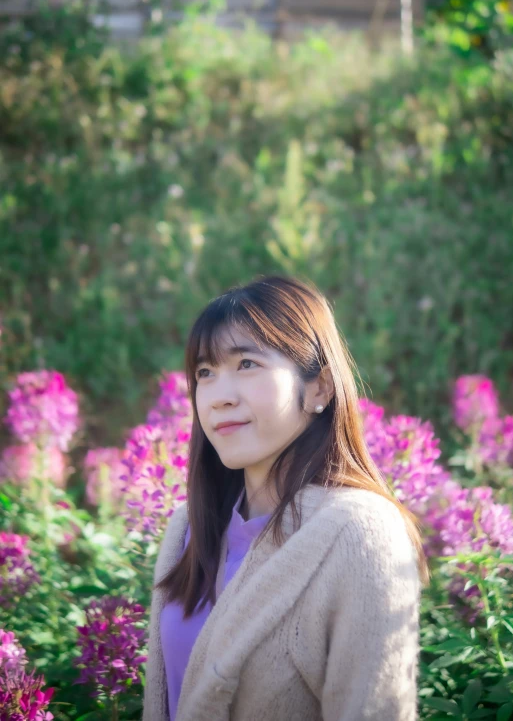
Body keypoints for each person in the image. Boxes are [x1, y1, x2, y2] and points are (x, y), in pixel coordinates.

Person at [141, 274, 430, 721]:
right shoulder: (188, 528)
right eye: (205, 373)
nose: (218, 397)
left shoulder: (360, 532)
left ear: (319, 388)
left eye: (247, 364)